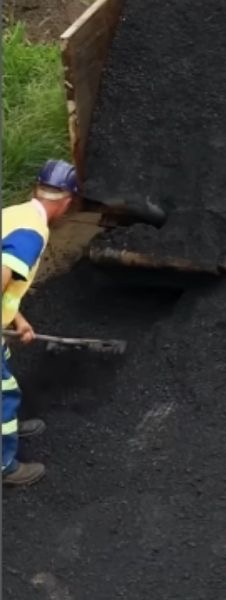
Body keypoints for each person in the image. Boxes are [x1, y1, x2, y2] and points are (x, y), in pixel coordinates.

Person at [2, 159, 77, 487]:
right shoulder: (32, 233)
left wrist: (17, 318)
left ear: (36, 189)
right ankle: (5, 466)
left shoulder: (15, 213)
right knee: (5, 394)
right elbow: (3, 272)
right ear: (67, 202)